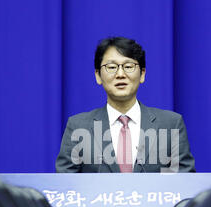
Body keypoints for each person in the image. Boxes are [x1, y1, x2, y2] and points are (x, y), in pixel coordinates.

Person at [55, 36, 196, 173]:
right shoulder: (78, 126)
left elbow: (184, 184)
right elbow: (65, 186)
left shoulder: (171, 123)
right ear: (98, 76)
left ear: (142, 74)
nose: (120, 74)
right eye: (111, 67)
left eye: (128, 66)